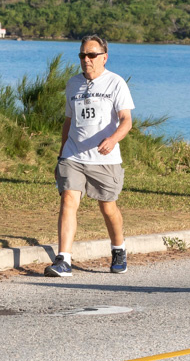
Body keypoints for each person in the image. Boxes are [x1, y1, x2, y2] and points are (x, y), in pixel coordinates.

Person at [45, 35, 135, 277]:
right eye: (82, 55)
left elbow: (126, 120)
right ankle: (63, 260)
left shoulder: (115, 83)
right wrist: (61, 154)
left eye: (92, 55)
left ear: (104, 57)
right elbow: (69, 121)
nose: (87, 59)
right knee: (68, 201)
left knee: (108, 208)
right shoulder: (73, 84)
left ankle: (119, 249)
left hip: (104, 158)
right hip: (73, 155)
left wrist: (112, 140)